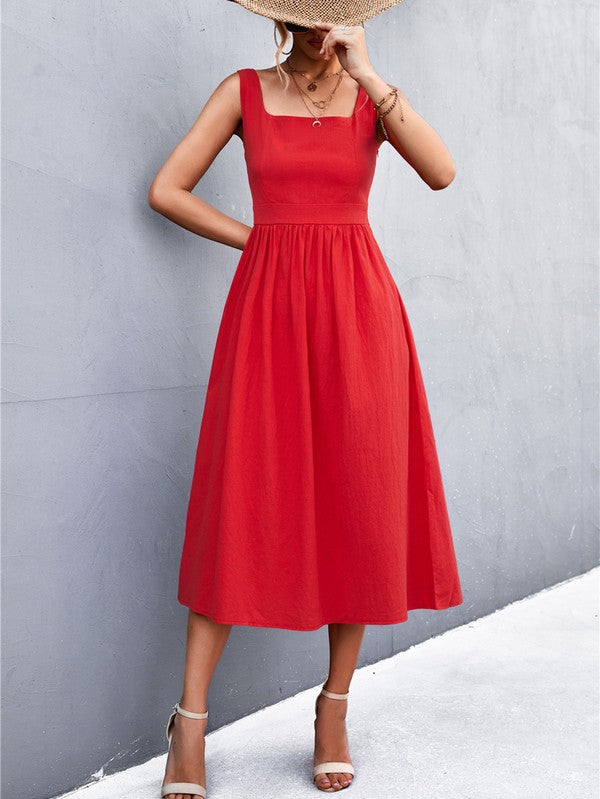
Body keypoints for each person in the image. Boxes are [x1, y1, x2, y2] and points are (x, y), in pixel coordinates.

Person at [148, 6, 464, 797]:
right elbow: (166, 189)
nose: (324, 31)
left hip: (360, 316)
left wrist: (370, 75)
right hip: (268, 314)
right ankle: (189, 721)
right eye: (310, 16)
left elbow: (442, 170)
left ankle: (334, 705)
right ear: (284, 21)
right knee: (242, 502)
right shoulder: (243, 91)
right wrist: (258, 238)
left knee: (358, 498)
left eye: (339, 17)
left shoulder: (371, 96)